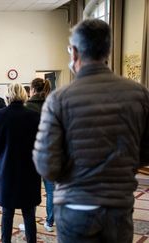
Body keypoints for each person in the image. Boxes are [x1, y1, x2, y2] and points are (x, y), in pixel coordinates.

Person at [33, 19, 149, 243]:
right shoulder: (139, 95)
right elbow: (145, 151)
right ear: (107, 51)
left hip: (75, 206)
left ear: (74, 52)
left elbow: (46, 165)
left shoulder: (59, 100)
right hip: (119, 207)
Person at [0, 83, 41, 243]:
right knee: (29, 213)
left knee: (7, 212)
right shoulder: (34, 116)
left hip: (7, 169)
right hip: (29, 170)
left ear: (7, 96)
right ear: (25, 95)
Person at [25, 78, 54, 232]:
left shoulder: (27, 107)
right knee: (51, 191)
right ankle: (50, 222)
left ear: (32, 89)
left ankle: (30, 222)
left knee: (31, 190)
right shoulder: (52, 105)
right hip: (50, 152)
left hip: (32, 153)